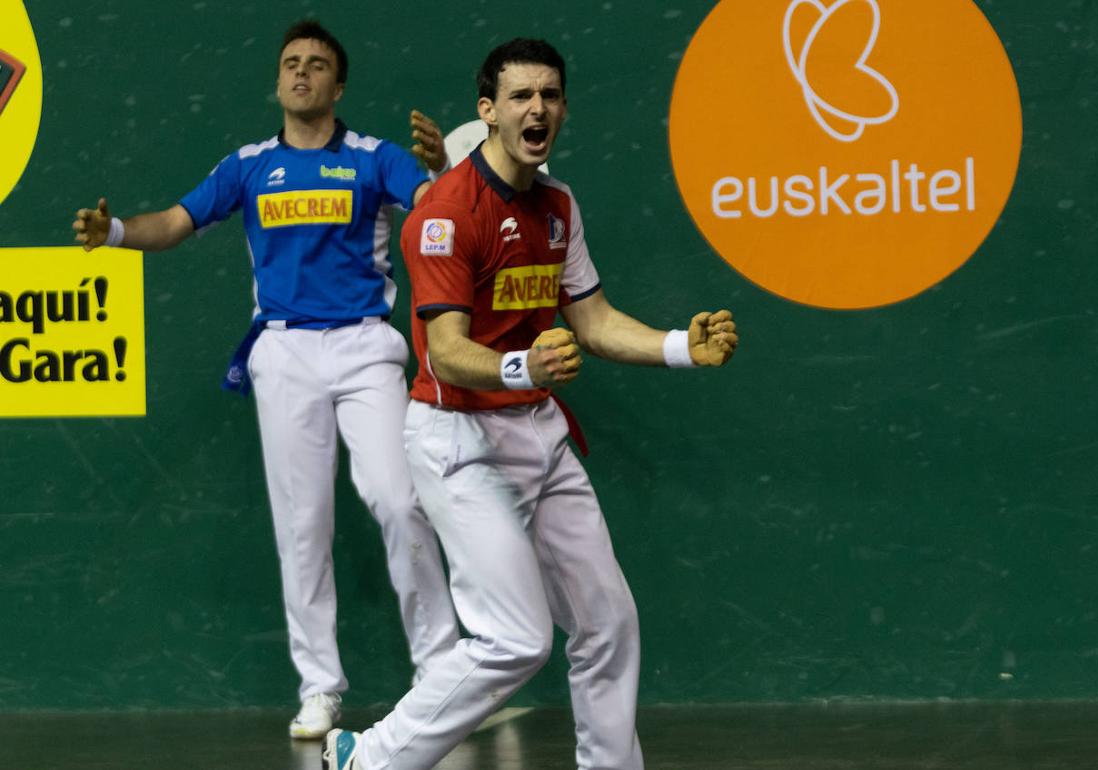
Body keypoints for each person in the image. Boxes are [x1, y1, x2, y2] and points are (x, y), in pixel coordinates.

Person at [323, 37, 739, 770]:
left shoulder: (558, 206)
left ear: (564, 109)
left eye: (549, 95)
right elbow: (445, 349)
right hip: (459, 441)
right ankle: (368, 759)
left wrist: (681, 346)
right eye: (520, 95)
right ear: (487, 111)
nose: (536, 107)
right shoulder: (445, 215)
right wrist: (524, 364)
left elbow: (595, 320)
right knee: (515, 640)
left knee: (608, 621)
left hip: (538, 433)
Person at [71, 20, 460, 740]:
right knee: (301, 525)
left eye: (317, 66)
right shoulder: (248, 165)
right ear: (279, 81)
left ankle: (442, 673)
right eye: (291, 64)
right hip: (283, 354)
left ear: (339, 86)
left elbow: (441, 215)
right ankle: (320, 689)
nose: (302, 74)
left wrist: (439, 171)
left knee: (398, 498)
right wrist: (117, 232)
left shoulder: (374, 158)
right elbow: (178, 221)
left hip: (366, 347)